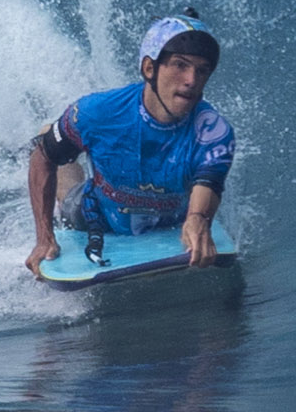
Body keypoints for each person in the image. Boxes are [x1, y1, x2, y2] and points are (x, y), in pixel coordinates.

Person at [27, 16, 235, 271]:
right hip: (95, 215)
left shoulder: (213, 131)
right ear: (150, 68)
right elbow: (42, 158)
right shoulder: (97, 112)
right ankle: (53, 133)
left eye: (202, 70)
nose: (191, 80)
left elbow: (209, 182)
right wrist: (44, 238)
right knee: (61, 172)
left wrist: (197, 219)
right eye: (180, 65)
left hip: (169, 223)